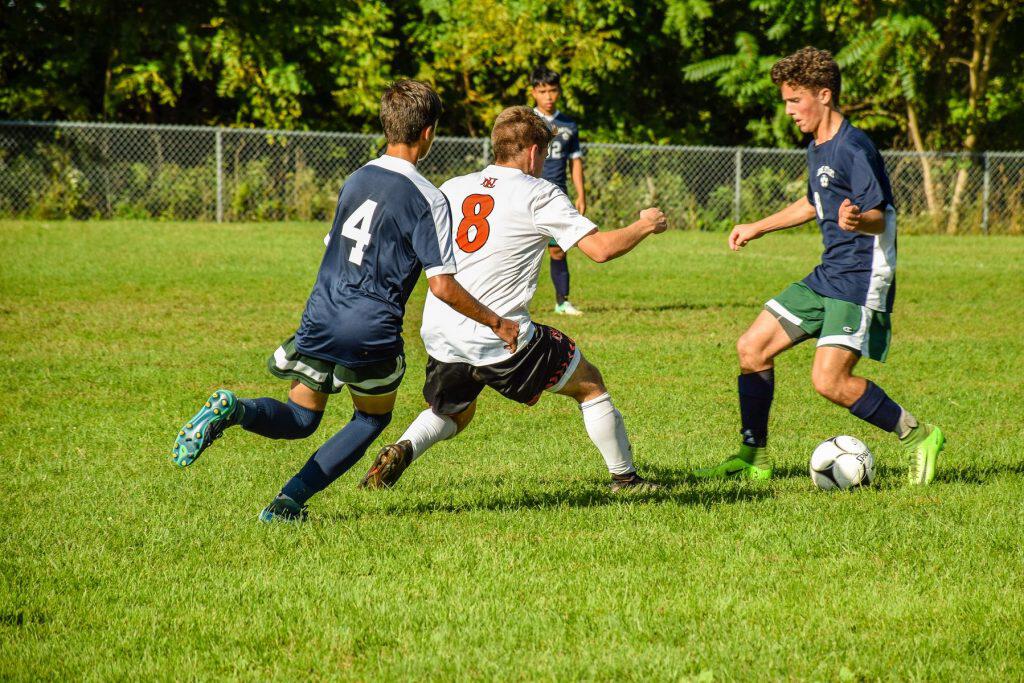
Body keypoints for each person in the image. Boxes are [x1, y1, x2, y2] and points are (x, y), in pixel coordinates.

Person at [169, 80, 519, 521]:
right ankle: (287, 502)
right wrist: (497, 322)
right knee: (371, 420)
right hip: (369, 328)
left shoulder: (356, 179)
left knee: (301, 418)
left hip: (321, 313)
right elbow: (442, 286)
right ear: (428, 132)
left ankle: (236, 409)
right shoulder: (430, 198)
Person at [357, 106, 668, 492]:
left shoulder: (453, 186)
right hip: (500, 334)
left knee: (456, 410)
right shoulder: (539, 193)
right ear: (535, 152)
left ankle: (404, 446)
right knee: (589, 385)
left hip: (442, 327)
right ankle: (626, 478)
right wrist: (645, 225)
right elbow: (600, 249)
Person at [692, 47, 945, 484]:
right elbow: (814, 202)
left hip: (861, 278)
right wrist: (759, 226)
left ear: (824, 95)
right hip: (829, 272)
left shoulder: (853, 147)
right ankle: (754, 457)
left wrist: (856, 219)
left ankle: (919, 435)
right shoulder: (817, 148)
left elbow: (879, 215)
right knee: (752, 348)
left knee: (829, 381)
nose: (789, 110)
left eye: (795, 100)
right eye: (786, 100)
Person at [531, 66, 587, 316]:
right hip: (528, 191)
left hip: (557, 194)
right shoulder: (527, 121)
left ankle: (562, 302)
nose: (548, 96)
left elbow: (576, 161)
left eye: (552, 90)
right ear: (533, 92)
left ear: (559, 92)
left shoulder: (568, 125)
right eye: (543, 91)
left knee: (558, 248)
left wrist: (581, 194)